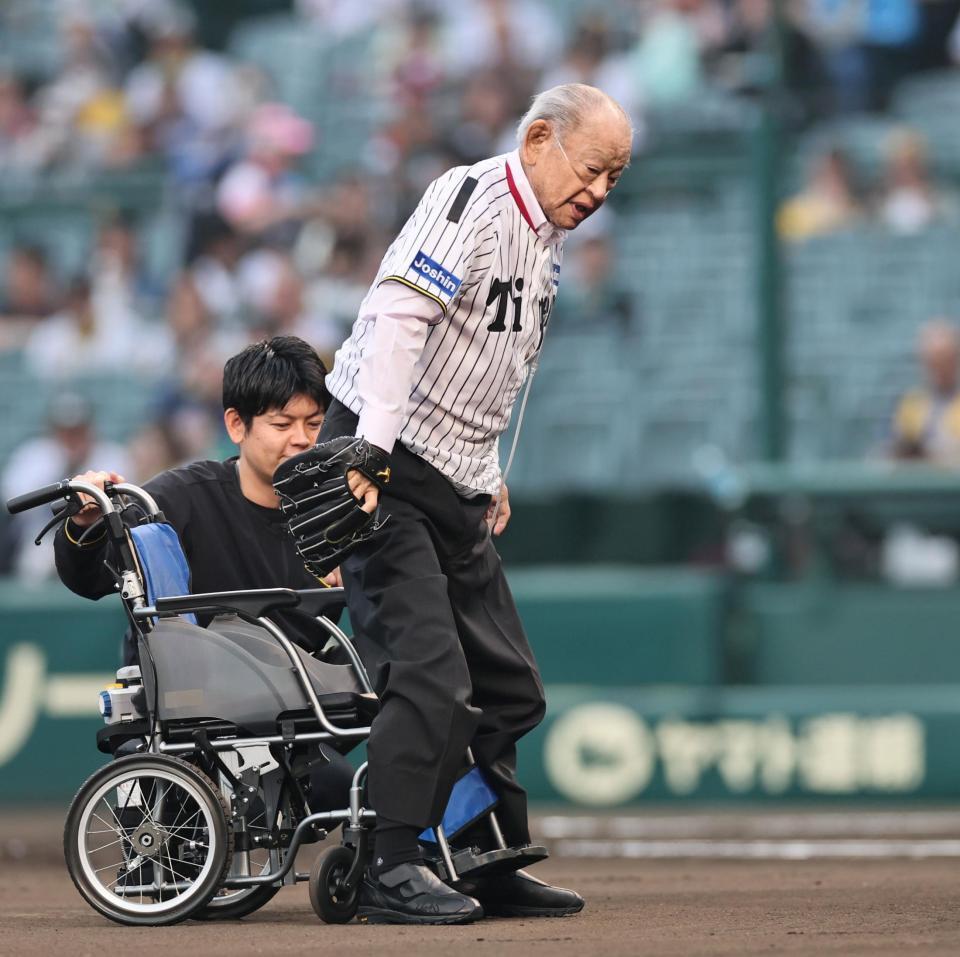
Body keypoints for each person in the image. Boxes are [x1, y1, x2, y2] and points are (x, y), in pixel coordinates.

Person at [312, 82, 632, 923]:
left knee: (510, 686)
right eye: (592, 168)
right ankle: (389, 862)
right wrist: (370, 451)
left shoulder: (546, 235)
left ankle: (480, 856)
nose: (599, 191)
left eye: (614, 179)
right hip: (387, 459)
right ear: (538, 139)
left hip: (453, 472)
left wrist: (487, 468)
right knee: (429, 676)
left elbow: (496, 364)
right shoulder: (471, 197)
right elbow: (397, 314)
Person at [52, 336, 352, 811]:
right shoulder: (180, 498)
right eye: (282, 424)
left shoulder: (338, 508)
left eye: (314, 423)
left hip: (297, 709)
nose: (302, 439)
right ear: (236, 424)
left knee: (356, 772)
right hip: (193, 710)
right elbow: (89, 579)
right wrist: (84, 521)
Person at [890, 319, 960, 463]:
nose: (938, 369)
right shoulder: (912, 401)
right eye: (932, 361)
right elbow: (900, 445)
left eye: (944, 360)